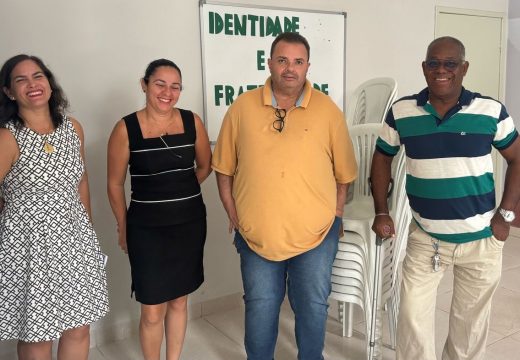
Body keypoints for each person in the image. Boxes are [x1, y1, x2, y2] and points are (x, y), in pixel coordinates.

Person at [371, 36, 520, 360]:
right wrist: (382, 211)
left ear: (463, 68)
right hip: (426, 239)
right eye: (434, 63)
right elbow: (382, 156)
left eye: (450, 63)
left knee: (469, 328)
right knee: (412, 318)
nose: (442, 70)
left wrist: (506, 214)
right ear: (424, 68)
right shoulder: (402, 112)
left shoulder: (490, 111)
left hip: (481, 240)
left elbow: (517, 158)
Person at [212, 32, 358, 360]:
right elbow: (223, 167)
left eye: (297, 62)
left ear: (307, 67)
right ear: (270, 63)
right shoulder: (243, 107)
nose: (289, 69)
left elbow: (344, 175)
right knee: (261, 308)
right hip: (256, 237)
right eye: (282, 60)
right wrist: (232, 212)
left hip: (317, 237)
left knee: (312, 308)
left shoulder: (327, 111)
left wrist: (334, 217)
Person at [0, 54, 109, 360]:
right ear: (9, 92)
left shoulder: (73, 128)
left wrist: (86, 230)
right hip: (29, 248)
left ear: (49, 82)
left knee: (78, 328)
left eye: (38, 76)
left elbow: (82, 180)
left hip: (74, 242)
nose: (32, 84)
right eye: (20, 80)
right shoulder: (7, 137)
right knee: (38, 334)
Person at [107, 58, 211, 360]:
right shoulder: (126, 128)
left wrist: (180, 190)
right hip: (146, 230)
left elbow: (205, 166)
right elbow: (114, 184)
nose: (168, 92)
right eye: (160, 84)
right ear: (145, 85)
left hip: (189, 224)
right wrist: (122, 226)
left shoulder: (193, 122)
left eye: (175, 86)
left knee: (179, 301)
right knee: (152, 310)